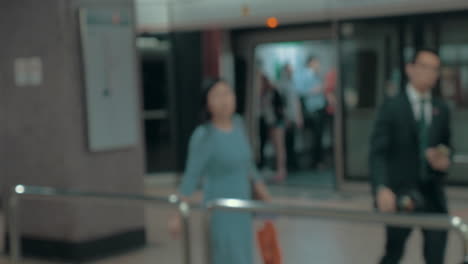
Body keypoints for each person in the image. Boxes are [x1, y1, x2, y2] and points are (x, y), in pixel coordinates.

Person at [169, 78, 271, 264]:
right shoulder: (203, 136)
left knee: (244, 255)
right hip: (220, 211)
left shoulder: (239, 124)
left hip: (243, 207)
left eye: (227, 93)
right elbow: (191, 176)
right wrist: (178, 214)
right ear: (207, 104)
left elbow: (248, 163)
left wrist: (261, 187)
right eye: (217, 95)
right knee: (226, 256)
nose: (224, 100)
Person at [370, 48, 452, 264]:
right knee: (393, 253)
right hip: (401, 194)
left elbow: (446, 146)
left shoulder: (441, 109)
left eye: (435, 69)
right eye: (424, 66)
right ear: (410, 69)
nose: (430, 73)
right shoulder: (392, 107)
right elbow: (377, 152)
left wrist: (443, 160)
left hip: (433, 196)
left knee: (436, 255)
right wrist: (381, 187)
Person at [294, 56, 326, 169]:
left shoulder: (317, 75)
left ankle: (319, 161)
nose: (318, 65)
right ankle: (316, 162)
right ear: (311, 63)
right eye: (316, 62)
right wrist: (314, 90)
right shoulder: (303, 76)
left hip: (321, 108)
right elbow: (300, 92)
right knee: (315, 137)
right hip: (312, 110)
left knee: (319, 137)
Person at [259, 73, 287, 181]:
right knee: (276, 147)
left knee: (279, 147)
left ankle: (281, 170)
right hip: (270, 122)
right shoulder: (265, 94)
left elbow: (280, 108)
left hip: (277, 122)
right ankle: (278, 169)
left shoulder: (273, 93)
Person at [278, 64, 303, 172]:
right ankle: (288, 164)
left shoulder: (292, 83)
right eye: (289, 70)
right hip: (287, 117)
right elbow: (282, 103)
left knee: (292, 141)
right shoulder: (282, 85)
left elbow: (296, 102)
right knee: (286, 141)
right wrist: (285, 117)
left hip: (293, 116)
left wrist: (299, 116)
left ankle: (293, 163)